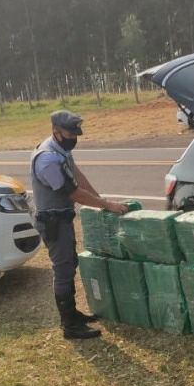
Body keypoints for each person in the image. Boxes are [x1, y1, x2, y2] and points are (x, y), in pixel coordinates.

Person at [31, 110, 129, 339]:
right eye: (70, 134)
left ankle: (72, 314)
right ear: (57, 133)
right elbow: (74, 193)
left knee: (69, 264)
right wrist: (106, 205)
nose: (74, 138)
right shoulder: (47, 160)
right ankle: (69, 326)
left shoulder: (60, 150)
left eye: (76, 134)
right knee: (63, 270)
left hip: (62, 218)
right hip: (53, 222)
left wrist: (101, 201)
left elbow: (77, 175)